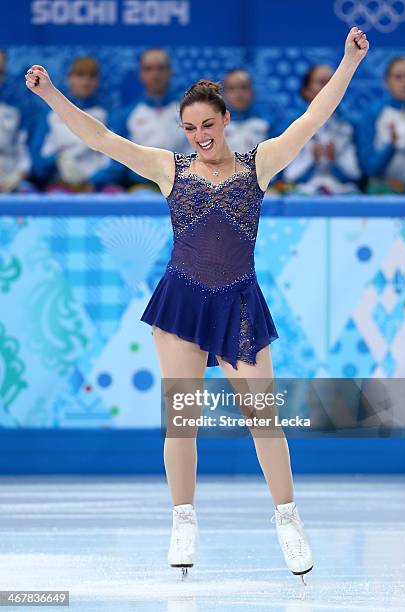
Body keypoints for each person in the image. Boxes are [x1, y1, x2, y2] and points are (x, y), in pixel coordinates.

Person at [25, 26, 369, 582]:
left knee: (265, 419)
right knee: (181, 419)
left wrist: (348, 62)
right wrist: (49, 95)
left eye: (208, 124)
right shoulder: (171, 169)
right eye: (189, 128)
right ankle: (183, 519)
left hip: (238, 302)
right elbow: (102, 139)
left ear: (226, 120)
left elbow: (313, 120)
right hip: (183, 299)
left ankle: (288, 519)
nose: (199, 136)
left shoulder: (259, 164)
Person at [90, 48, 190, 192]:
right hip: (141, 188)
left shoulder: (189, 112)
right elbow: (118, 158)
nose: (155, 74)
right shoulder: (126, 115)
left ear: (170, 72)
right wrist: (91, 183)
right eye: (148, 69)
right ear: (141, 74)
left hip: (183, 187)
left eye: (161, 68)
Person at [30, 56, 110, 192]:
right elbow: (37, 163)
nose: (86, 81)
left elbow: (118, 161)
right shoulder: (50, 115)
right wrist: (58, 160)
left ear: (97, 81)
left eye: (91, 76)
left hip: (95, 187)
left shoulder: (107, 115)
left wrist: (92, 181)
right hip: (59, 184)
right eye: (80, 75)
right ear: (69, 78)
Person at [281, 64, 361, 194]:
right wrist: (312, 161)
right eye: (322, 82)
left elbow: (355, 174)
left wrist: (334, 162)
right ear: (306, 90)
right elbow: (288, 175)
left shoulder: (348, 126)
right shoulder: (292, 125)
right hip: (302, 191)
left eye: (333, 81)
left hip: (342, 191)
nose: (330, 87)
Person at [355, 56, 405, 194]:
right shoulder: (372, 114)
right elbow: (369, 168)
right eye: (398, 77)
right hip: (381, 189)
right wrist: (391, 146)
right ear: (386, 81)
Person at [0, 49, 34, 193]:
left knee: (28, 192)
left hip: (10, 183)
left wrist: (16, 177)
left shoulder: (13, 114)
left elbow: (23, 153)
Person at [222, 69, 279, 153]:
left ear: (252, 91)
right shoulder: (216, 125)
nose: (238, 94)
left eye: (243, 87)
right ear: (224, 94)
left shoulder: (267, 123)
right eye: (232, 88)